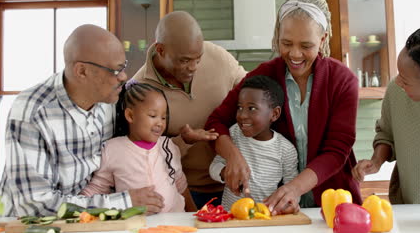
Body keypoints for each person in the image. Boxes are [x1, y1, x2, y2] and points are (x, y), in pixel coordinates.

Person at [205, 0, 362, 215]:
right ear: (277, 35)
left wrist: (294, 188)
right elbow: (216, 121)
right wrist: (232, 156)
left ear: (323, 39)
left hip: (332, 202)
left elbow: (337, 149)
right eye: (286, 43)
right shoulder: (263, 75)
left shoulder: (343, 81)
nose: (294, 54)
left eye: (306, 45)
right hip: (275, 208)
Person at [0, 24, 164, 216]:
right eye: (116, 70)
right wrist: (124, 202)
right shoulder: (31, 112)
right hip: (26, 228)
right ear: (82, 71)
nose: (124, 77)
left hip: (87, 219)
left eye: (123, 67)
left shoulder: (111, 99)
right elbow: (35, 205)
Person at [132, 11, 247, 208]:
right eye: (184, 61)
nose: (193, 67)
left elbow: (253, 92)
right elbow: (142, 153)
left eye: (198, 59)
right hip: (184, 193)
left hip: (235, 187)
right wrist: (182, 142)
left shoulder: (217, 56)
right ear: (160, 50)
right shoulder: (139, 89)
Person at [352, 23, 420, 204]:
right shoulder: (396, 92)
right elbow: (387, 134)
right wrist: (376, 161)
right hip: (409, 210)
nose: (398, 82)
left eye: (405, 80)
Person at [81, 81, 193, 212]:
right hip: (136, 226)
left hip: (176, 223)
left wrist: (195, 212)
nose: (160, 123)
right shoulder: (112, 149)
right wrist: (77, 207)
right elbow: (98, 188)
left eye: (163, 118)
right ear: (130, 115)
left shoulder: (168, 146)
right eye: (153, 116)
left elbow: (180, 184)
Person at [209, 75, 299, 210]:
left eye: (251, 108)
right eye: (239, 107)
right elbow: (214, 166)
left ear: (274, 114)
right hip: (230, 218)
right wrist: (226, 173)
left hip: (265, 219)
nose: (242, 115)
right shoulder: (233, 134)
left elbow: (292, 188)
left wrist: (288, 205)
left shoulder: (286, 149)